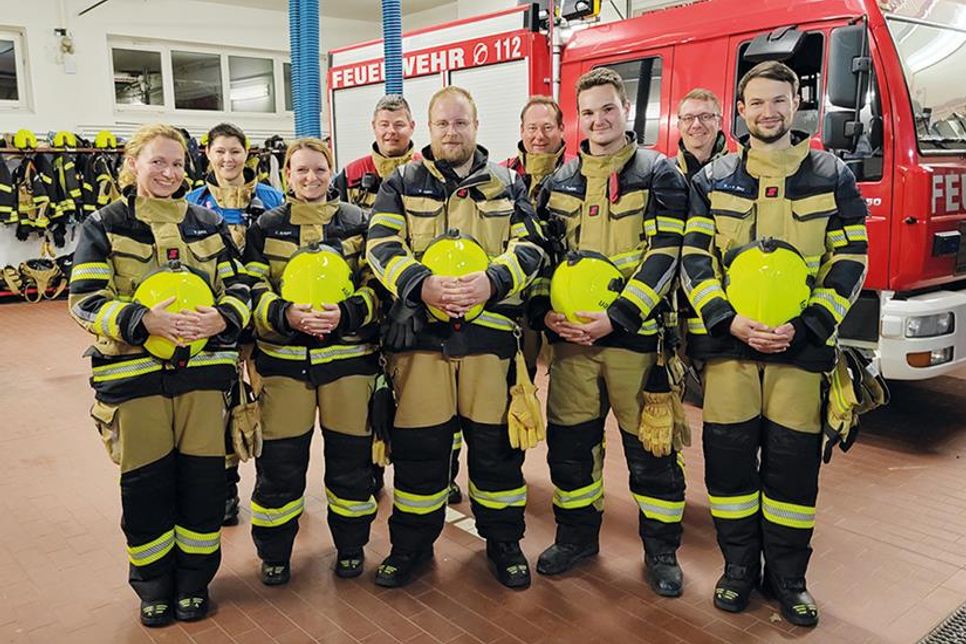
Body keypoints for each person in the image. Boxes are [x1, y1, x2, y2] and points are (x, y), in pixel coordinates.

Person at [681, 61, 868, 626]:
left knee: (793, 471)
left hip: (800, 352)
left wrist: (808, 326)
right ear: (740, 111)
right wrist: (727, 320)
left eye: (779, 100)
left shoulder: (832, 174)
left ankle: (788, 579)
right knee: (729, 468)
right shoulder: (712, 179)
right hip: (729, 352)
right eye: (757, 102)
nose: (769, 112)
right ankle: (738, 569)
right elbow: (695, 260)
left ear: (796, 105)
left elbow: (850, 259)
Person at [69, 123, 250, 626]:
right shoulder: (104, 225)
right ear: (133, 164)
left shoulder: (207, 223)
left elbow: (240, 288)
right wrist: (142, 320)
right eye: (157, 162)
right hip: (135, 381)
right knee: (146, 487)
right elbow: (85, 301)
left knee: (203, 486)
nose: (168, 172)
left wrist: (222, 318)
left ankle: (194, 583)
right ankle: (153, 587)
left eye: (176, 163)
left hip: (204, 380)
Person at [366, 86, 545, 589]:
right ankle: (410, 546)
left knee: (497, 451)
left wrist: (493, 281)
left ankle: (504, 542)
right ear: (429, 128)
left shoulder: (509, 183)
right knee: (420, 450)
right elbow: (380, 244)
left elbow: (532, 246)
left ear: (476, 125)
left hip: (490, 341)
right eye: (443, 124)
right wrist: (420, 284)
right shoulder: (401, 182)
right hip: (421, 343)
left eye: (460, 123)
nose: (452, 132)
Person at [531, 67, 690, 598]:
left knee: (652, 454)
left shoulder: (660, 173)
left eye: (608, 109)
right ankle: (576, 539)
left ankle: (661, 552)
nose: (598, 120)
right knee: (570, 449)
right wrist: (544, 313)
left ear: (626, 111)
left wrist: (618, 316)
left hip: (635, 343)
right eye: (589, 112)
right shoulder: (558, 182)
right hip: (571, 346)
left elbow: (666, 255)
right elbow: (542, 258)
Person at [243, 138, 380, 584]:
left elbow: (376, 285)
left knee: (351, 461)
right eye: (301, 170)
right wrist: (284, 315)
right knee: (280, 464)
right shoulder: (266, 226)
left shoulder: (358, 222)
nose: (311, 178)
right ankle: (275, 553)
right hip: (283, 364)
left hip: (349, 363)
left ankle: (351, 547)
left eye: (319, 169)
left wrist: (347, 314)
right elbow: (252, 287)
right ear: (287, 175)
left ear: (330, 172)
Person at [329, 95, 432, 501]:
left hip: (416, 302)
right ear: (373, 127)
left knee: (422, 394)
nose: (392, 132)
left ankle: (438, 471)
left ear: (412, 127)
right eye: (385, 124)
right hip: (367, 303)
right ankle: (371, 468)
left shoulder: (427, 171)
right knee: (369, 393)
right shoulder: (352, 175)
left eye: (399, 124)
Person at [187, 123, 285, 526]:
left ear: (248, 154)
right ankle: (226, 491)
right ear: (208, 154)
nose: (228, 159)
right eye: (220, 151)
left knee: (270, 404)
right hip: (219, 323)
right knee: (220, 408)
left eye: (235, 151)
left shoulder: (272, 198)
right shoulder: (192, 202)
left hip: (262, 321)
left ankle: (271, 487)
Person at [503, 95, 573, 380]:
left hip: (563, 295)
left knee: (568, 383)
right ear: (522, 130)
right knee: (518, 379)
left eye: (547, 127)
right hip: (516, 294)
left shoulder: (578, 173)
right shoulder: (503, 175)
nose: (539, 136)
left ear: (561, 129)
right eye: (532, 128)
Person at [675, 88, 728, 181]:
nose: (696, 125)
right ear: (679, 126)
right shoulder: (663, 173)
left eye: (705, 117)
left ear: (719, 123)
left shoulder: (738, 171)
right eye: (688, 118)